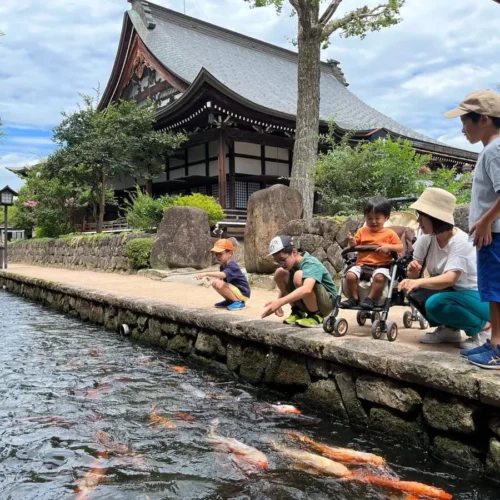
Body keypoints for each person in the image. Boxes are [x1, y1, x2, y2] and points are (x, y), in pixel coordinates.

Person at [443, 89, 500, 368]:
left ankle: (498, 348)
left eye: (466, 121)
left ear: (485, 119)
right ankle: (494, 343)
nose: (463, 129)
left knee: (496, 289)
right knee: (492, 290)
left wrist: (487, 220)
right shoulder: (491, 150)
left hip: (495, 233)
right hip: (492, 232)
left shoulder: (494, 150)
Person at [398, 187, 491, 347]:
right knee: (418, 294)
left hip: (478, 296)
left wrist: (418, 282)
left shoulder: (461, 241)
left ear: (435, 218)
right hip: (453, 293)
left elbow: (450, 279)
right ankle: (450, 330)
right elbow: (414, 276)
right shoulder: (425, 239)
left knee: (435, 302)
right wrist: (412, 273)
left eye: (422, 217)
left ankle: (485, 329)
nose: (418, 221)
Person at [341, 197, 403, 310]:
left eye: (377, 218)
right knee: (349, 275)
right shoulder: (362, 231)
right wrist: (351, 241)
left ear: (386, 218)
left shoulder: (390, 233)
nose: (373, 221)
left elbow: (400, 247)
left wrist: (388, 246)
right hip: (361, 265)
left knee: (379, 278)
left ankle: (371, 299)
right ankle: (354, 298)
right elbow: (354, 245)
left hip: (381, 265)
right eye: (369, 218)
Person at [262, 235, 337, 327]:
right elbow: (286, 286)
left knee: (298, 276)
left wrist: (280, 302)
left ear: (294, 252)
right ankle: (297, 311)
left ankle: (316, 315)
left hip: (327, 303)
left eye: (282, 260)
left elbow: (307, 289)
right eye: (277, 261)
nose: (281, 264)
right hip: (310, 301)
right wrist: (278, 302)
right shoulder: (291, 265)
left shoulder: (310, 263)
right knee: (279, 273)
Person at [196, 239, 250, 311]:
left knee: (217, 283)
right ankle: (230, 300)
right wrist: (210, 278)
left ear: (229, 253)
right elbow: (222, 279)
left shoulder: (232, 265)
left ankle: (238, 302)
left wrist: (206, 273)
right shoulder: (222, 266)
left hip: (243, 292)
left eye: (220, 254)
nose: (218, 256)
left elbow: (223, 275)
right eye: (216, 254)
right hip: (236, 290)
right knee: (215, 283)